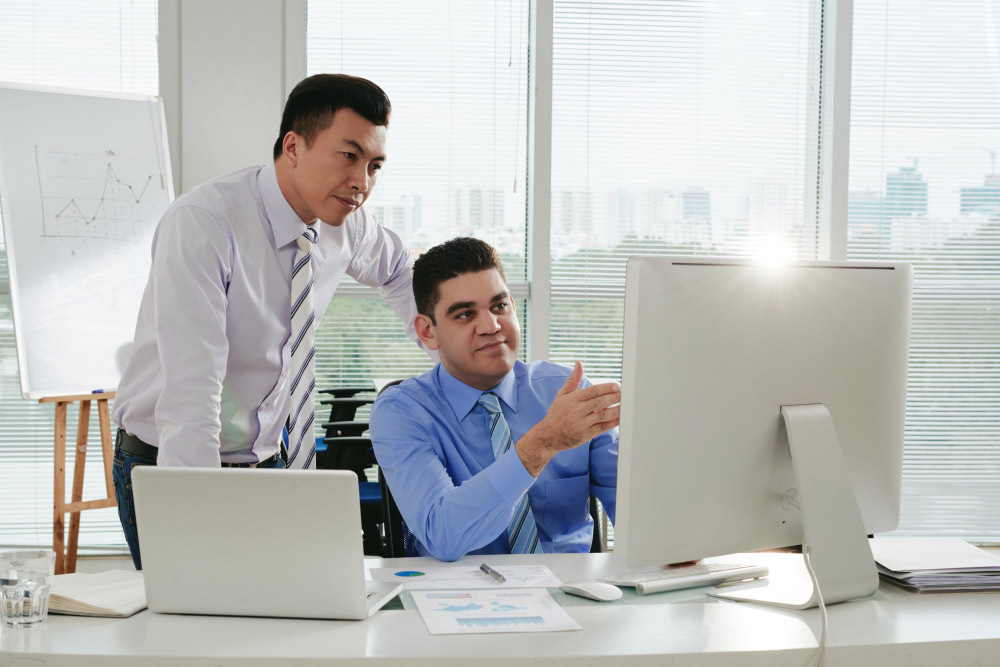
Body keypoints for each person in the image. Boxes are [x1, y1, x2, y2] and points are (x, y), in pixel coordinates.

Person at [112, 74, 427, 569]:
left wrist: (451, 351)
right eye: (349, 156)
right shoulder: (206, 222)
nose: (362, 183)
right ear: (294, 146)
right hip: (171, 460)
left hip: (270, 459)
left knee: (276, 623)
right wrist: (194, 517)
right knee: (197, 624)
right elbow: (192, 390)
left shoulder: (346, 225)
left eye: (374, 165)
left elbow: (405, 274)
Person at [370, 237, 620, 561]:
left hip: (570, 592)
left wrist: (671, 541)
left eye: (499, 306)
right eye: (464, 314)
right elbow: (442, 535)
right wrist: (542, 444)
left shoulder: (566, 391)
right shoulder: (402, 412)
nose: (491, 326)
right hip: (455, 598)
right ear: (427, 331)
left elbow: (636, 511)